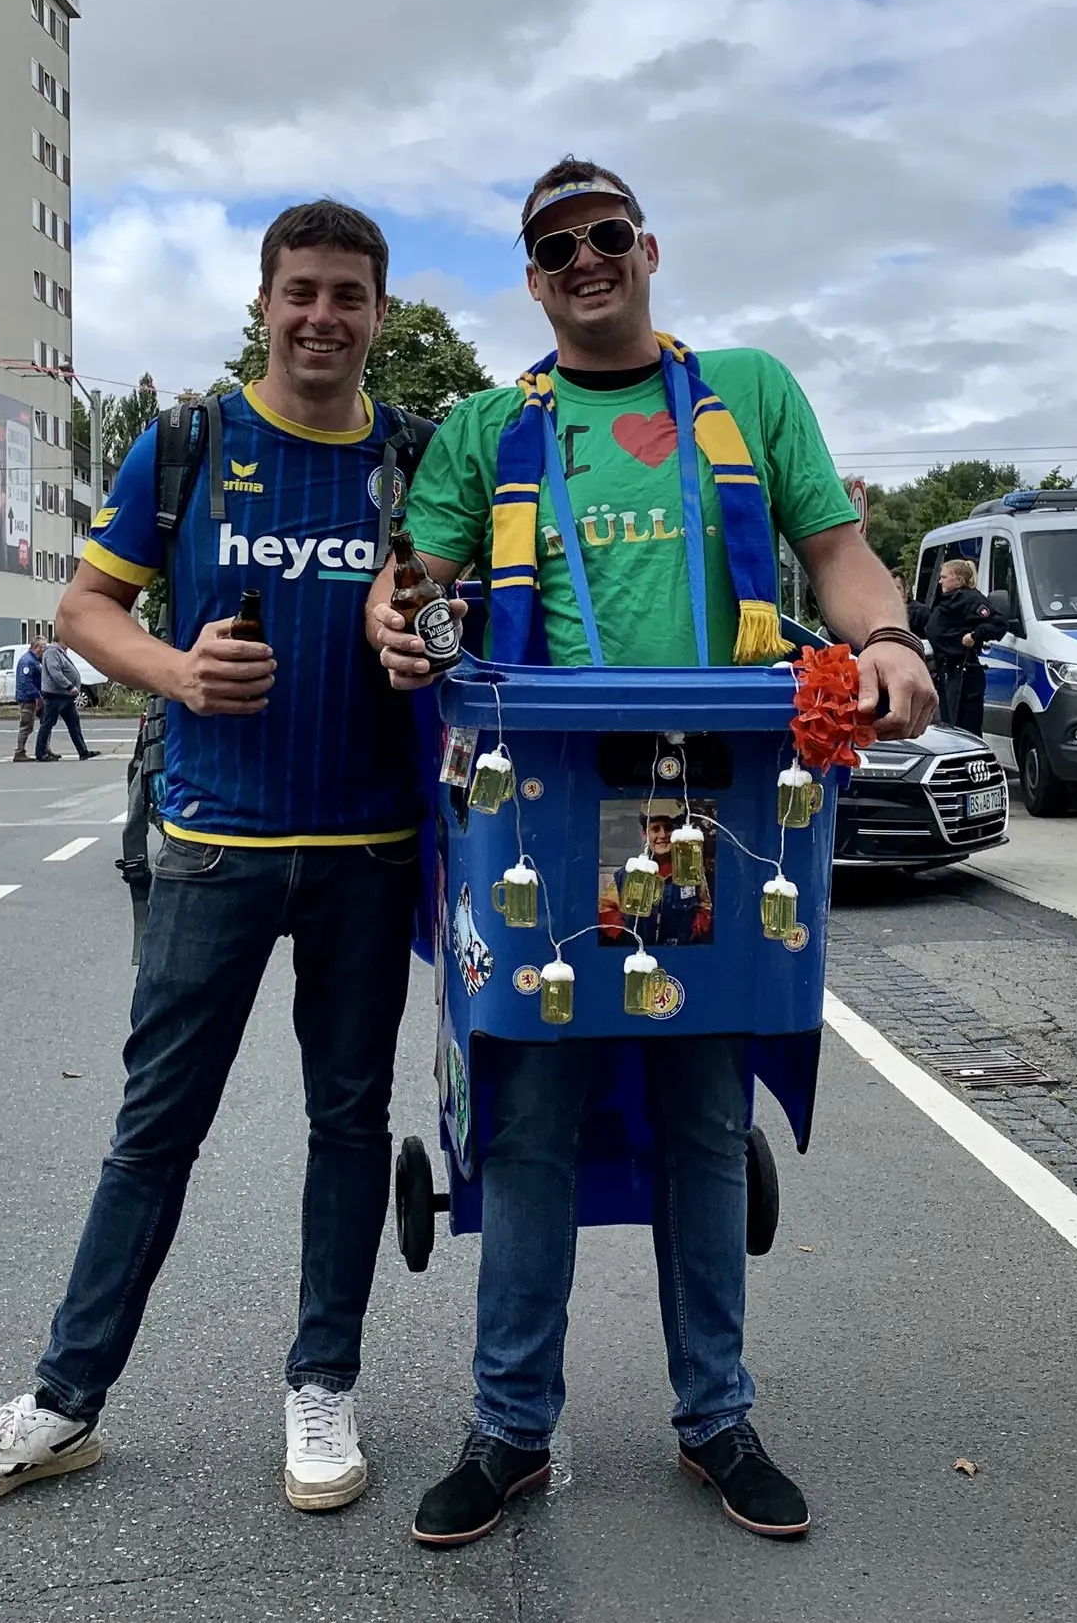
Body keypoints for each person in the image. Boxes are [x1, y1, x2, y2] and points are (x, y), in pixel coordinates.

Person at [368, 157, 936, 1548]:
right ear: (532, 274)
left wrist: (890, 639)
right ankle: (510, 1429)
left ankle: (716, 1417)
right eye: (554, 246)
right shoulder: (487, 428)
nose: (584, 259)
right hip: (547, 810)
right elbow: (419, 587)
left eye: (606, 235)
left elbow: (839, 555)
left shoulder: (749, 390)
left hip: (719, 804)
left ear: (649, 247)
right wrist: (396, 618)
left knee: (699, 1104)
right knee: (533, 1122)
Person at [0, 200, 424, 1516]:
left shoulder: (421, 463)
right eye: (299, 291)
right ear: (263, 304)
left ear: (379, 311)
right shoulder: (189, 443)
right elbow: (87, 606)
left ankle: (323, 1383)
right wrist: (180, 671)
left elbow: (453, 608)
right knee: (155, 1131)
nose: (322, 316)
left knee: (348, 1121)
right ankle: (63, 1400)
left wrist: (423, 622)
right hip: (211, 844)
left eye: (347, 295)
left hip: (369, 846)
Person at [599, 809, 713, 947]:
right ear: (644, 834)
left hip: (680, 955)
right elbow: (605, 908)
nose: (662, 835)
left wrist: (695, 932)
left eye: (668, 828)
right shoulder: (629, 873)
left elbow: (705, 906)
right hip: (640, 958)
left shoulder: (692, 872)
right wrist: (624, 936)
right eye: (655, 829)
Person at [923, 557, 1002, 737]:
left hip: (964, 674)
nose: (940, 580)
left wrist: (974, 636)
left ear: (958, 580)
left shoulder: (970, 598)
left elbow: (998, 622)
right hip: (948, 672)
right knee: (949, 729)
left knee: (966, 730)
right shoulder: (948, 600)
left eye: (944, 577)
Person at [34, 634, 94, 761]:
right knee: (48, 723)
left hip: (65, 697)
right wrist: (69, 686)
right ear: (61, 640)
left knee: (74, 723)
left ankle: (83, 751)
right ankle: (40, 753)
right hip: (56, 695)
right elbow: (54, 672)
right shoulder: (52, 652)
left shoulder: (60, 652)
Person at [13, 637, 45, 762]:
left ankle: (44, 748)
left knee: (45, 722)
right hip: (28, 699)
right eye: (43, 647)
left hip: (35, 697)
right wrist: (37, 696)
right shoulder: (27, 661)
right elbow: (26, 682)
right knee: (26, 725)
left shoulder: (36, 660)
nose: (44, 650)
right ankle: (19, 752)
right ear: (36, 647)